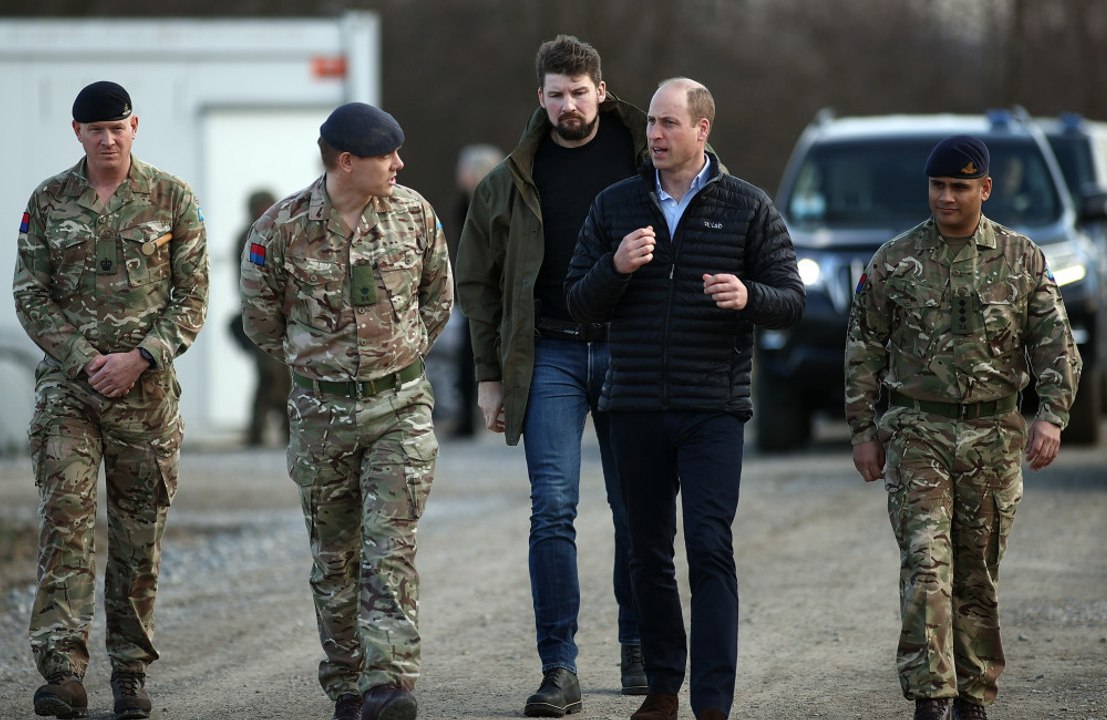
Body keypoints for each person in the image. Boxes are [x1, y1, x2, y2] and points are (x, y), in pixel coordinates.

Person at [565, 77, 805, 720]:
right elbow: (578, 304)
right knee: (646, 552)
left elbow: (792, 299)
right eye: (651, 123)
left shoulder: (749, 207)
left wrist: (749, 296)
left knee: (708, 546)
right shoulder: (616, 204)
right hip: (633, 406)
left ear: (703, 129)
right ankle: (664, 688)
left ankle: (713, 703)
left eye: (670, 123)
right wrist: (614, 266)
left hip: (712, 409)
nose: (655, 134)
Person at [844, 136, 1082, 720]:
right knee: (926, 563)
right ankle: (932, 695)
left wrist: (1050, 416)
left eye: (959, 186)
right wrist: (862, 429)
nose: (946, 197)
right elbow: (862, 347)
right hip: (917, 430)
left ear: (985, 189)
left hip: (992, 435)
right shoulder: (895, 259)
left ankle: (974, 697)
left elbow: (1056, 345)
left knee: (977, 573)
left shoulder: (1020, 258)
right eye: (937, 186)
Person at [455, 34, 649, 716]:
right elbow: (475, 284)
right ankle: (558, 668)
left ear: (601, 89)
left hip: (631, 350)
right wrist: (487, 379)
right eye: (556, 95)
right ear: (539, 97)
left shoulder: (644, 159)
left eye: (579, 92)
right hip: (550, 356)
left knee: (635, 507)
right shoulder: (510, 180)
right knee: (552, 510)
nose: (569, 106)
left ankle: (638, 647)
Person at [239, 102, 452, 720]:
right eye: (388, 155)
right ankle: (349, 686)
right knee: (335, 558)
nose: (400, 164)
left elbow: (438, 299)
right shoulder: (278, 230)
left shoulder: (415, 214)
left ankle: (391, 683)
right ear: (347, 161)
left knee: (390, 547)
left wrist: (395, 358)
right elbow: (261, 323)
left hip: (400, 407)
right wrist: (322, 366)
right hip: (320, 415)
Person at [12, 80, 209, 720]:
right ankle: (63, 671)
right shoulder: (48, 200)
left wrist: (141, 357)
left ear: (134, 126)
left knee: (136, 536)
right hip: (70, 392)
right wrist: (84, 360)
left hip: (145, 396)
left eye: (117, 126)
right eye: (95, 129)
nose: (107, 138)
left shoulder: (171, 198)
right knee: (65, 522)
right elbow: (30, 294)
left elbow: (193, 297)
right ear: (78, 133)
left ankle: (130, 670)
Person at [449, 144, 504, 438]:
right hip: (473, 291)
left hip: (488, 294)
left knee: (475, 354)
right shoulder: (466, 203)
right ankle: (467, 420)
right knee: (466, 356)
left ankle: (471, 421)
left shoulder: (491, 204)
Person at [229, 188, 290, 446]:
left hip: (281, 319)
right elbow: (250, 281)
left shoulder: (280, 232)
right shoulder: (251, 236)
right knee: (269, 376)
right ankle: (258, 433)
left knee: (282, 378)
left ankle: (283, 432)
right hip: (260, 318)